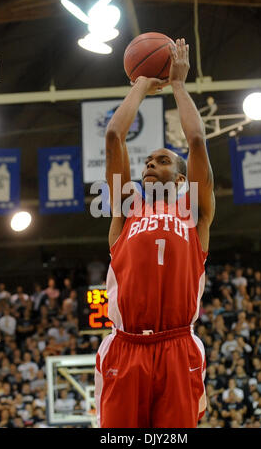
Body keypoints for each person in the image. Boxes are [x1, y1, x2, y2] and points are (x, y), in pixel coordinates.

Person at [95, 38, 215, 428]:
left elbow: (196, 142)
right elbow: (114, 137)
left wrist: (178, 84)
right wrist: (142, 83)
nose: (149, 163)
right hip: (125, 346)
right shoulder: (126, 209)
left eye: (162, 160)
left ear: (180, 177)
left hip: (178, 346)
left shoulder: (193, 210)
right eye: (147, 160)